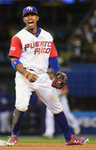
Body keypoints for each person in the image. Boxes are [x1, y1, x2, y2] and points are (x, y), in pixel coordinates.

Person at [6, 6, 89, 146]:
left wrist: (57, 71)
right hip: (24, 75)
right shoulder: (18, 37)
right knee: (21, 106)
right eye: (27, 15)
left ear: (37, 17)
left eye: (32, 15)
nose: (30, 17)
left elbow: (52, 56)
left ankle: (70, 139)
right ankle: (14, 136)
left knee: (57, 107)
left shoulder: (47, 36)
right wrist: (26, 73)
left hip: (42, 76)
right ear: (24, 19)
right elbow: (14, 60)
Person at [43, 68, 80, 138]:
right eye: (48, 73)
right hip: (51, 101)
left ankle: (75, 126)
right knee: (49, 115)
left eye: (50, 73)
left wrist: (59, 96)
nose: (49, 74)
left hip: (61, 100)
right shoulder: (46, 81)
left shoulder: (58, 80)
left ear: (52, 74)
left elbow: (65, 90)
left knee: (67, 114)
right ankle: (49, 132)